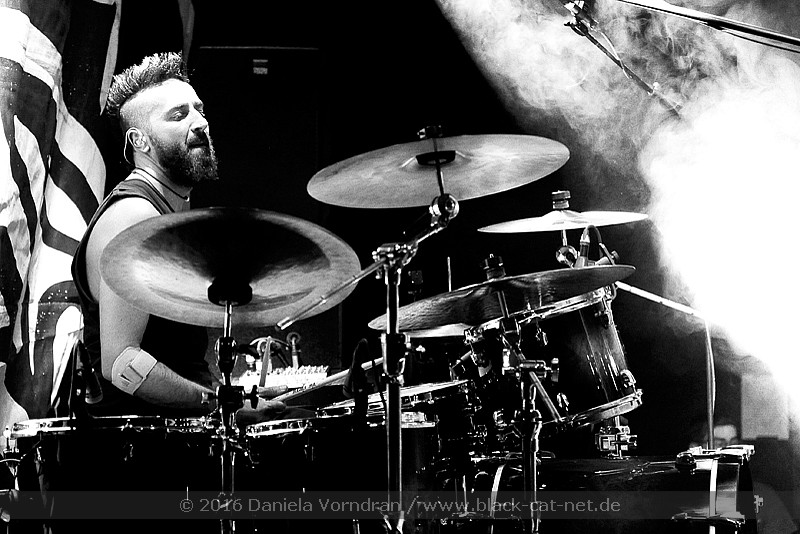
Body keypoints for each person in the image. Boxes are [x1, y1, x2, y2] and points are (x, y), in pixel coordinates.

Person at [71, 51, 284, 422]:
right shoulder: (135, 215)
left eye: (198, 109)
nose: (200, 122)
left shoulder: (168, 210)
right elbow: (123, 363)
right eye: (178, 115)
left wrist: (235, 394)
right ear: (140, 140)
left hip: (181, 432)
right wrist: (221, 404)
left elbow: (175, 361)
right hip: (142, 448)